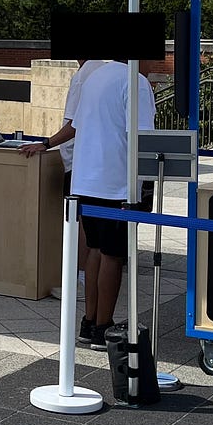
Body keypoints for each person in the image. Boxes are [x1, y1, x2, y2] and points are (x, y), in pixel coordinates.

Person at [64, 60, 155, 348]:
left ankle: (89, 321)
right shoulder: (136, 81)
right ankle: (104, 326)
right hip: (118, 183)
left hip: (86, 178)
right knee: (113, 255)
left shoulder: (94, 76)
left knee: (94, 250)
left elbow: (76, 124)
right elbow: (142, 137)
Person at [20, 58, 107, 339]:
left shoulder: (87, 75)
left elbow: (74, 123)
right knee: (88, 229)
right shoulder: (95, 72)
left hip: (79, 162)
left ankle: (79, 280)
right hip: (83, 162)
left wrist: (45, 143)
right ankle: (82, 282)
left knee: (83, 225)